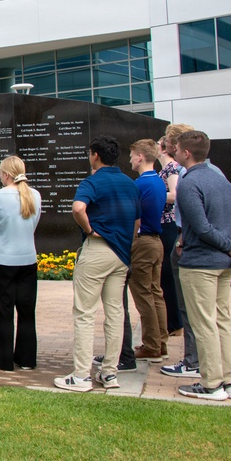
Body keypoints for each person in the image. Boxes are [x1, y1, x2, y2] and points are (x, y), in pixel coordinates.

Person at [55, 136, 140, 393]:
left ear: (95, 156)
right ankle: (110, 373)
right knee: (115, 313)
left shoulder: (91, 182)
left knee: (84, 313)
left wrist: (89, 230)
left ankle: (81, 376)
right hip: (121, 254)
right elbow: (137, 222)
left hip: (98, 250)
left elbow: (79, 208)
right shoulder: (130, 184)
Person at [174, 130, 231, 401]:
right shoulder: (222, 182)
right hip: (225, 264)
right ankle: (230, 381)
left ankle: (211, 384)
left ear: (186, 153)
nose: (175, 152)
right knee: (222, 321)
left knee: (204, 323)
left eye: (177, 149)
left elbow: (200, 227)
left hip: (201, 264)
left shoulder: (189, 184)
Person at [0, 155, 41, 371]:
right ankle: (26, 359)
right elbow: (33, 225)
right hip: (27, 258)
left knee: (5, 311)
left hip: (3, 260)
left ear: (6, 175)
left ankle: (4, 359)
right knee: (27, 311)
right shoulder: (35, 195)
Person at [160, 123, 204, 380]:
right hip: (191, 244)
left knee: (192, 309)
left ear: (180, 148)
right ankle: (199, 361)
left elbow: (196, 219)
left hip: (191, 248)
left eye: (167, 142)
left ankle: (193, 362)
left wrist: (182, 240)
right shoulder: (211, 173)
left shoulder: (184, 175)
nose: (164, 146)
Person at [127, 139, 169, 363]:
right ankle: (160, 342)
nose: (131, 159)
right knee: (156, 293)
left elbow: (135, 217)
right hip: (156, 242)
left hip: (142, 243)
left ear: (141, 156)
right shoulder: (159, 182)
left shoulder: (140, 184)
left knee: (143, 295)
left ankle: (151, 346)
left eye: (132, 155)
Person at [157, 136, 183, 336]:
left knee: (167, 273)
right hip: (162, 223)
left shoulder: (171, 168)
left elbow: (174, 195)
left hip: (168, 224)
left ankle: (174, 322)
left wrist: (151, 194)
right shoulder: (164, 169)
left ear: (164, 149)